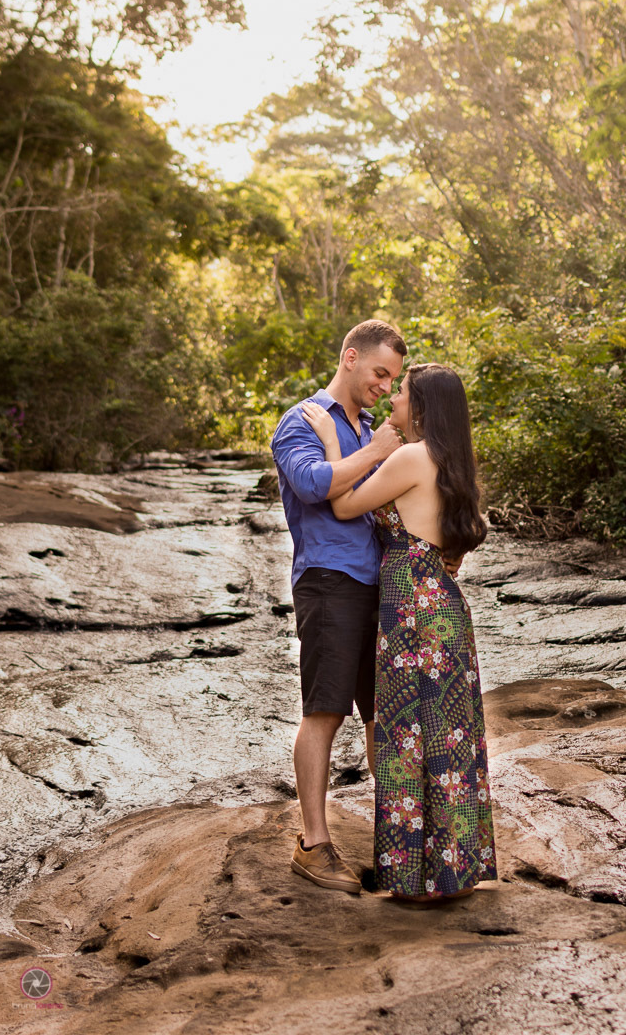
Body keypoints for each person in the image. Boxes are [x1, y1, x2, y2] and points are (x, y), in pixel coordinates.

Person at [301, 363, 496, 902]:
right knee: (449, 734)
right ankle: (453, 871)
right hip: (445, 606)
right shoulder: (453, 462)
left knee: (409, 733)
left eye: (402, 393)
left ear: (424, 407)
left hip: (411, 608)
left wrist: (328, 442)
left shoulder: (410, 457)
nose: (393, 400)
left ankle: (418, 879)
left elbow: (342, 503)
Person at [271, 319, 407, 894]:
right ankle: (314, 844)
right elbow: (312, 485)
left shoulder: (369, 425)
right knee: (325, 710)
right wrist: (376, 451)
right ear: (350, 358)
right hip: (328, 580)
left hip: (379, 583)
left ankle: (402, 837)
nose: (384, 384)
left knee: (383, 714)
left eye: (393, 378)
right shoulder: (302, 420)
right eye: (380, 373)